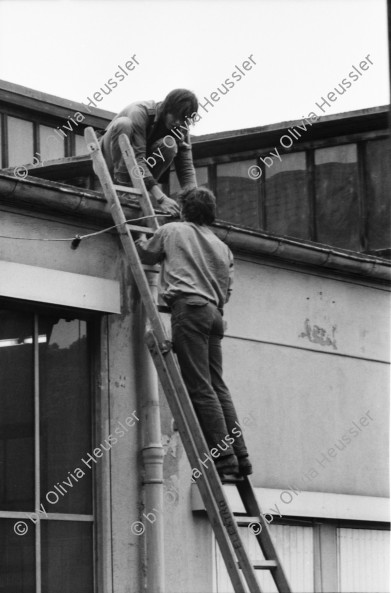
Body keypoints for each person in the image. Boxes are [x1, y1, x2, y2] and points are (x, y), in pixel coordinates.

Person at [136, 187, 253, 477]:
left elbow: (147, 256)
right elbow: (227, 292)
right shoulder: (222, 246)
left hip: (189, 309)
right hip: (214, 314)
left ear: (184, 210)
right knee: (217, 386)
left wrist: (139, 239)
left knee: (199, 387)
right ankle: (240, 454)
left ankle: (223, 457)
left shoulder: (171, 230)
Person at [100, 88, 199, 216]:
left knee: (169, 145)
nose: (177, 122)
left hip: (138, 168)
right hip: (110, 159)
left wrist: (195, 203)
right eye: (175, 116)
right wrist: (161, 198)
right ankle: (124, 188)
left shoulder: (180, 128)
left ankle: (138, 189)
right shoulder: (140, 112)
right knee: (124, 124)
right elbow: (137, 157)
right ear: (166, 108)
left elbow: (186, 167)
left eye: (182, 120)